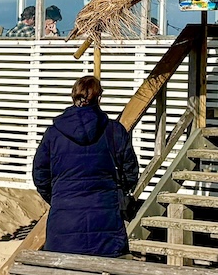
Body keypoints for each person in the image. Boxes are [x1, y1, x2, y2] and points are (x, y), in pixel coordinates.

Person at [31, 75, 139, 257]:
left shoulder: (54, 133)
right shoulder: (114, 131)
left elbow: (40, 174)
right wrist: (115, 193)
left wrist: (58, 196)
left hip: (64, 219)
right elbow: (130, 171)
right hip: (106, 220)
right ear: (99, 97)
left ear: (74, 96)